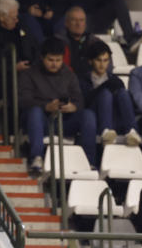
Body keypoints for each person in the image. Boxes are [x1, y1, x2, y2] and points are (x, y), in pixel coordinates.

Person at [18, 36, 96, 176]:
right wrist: (46, 106)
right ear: (42, 57)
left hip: (63, 120)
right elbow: (24, 100)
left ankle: (88, 160)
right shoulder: (29, 74)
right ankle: (37, 158)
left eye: (58, 60)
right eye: (50, 60)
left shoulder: (68, 74)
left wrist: (73, 107)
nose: (54, 64)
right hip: (39, 121)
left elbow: (79, 99)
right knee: (35, 112)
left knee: (88, 115)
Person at [79, 40, 141, 146]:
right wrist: (105, 87)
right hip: (94, 120)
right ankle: (105, 131)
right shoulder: (83, 80)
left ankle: (132, 131)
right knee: (105, 94)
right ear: (91, 61)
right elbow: (84, 103)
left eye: (105, 60)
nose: (102, 65)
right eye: (99, 60)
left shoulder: (115, 80)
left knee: (123, 93)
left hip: (116, 119)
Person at [58, 6, 96, 75]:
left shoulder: (95, 42)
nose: (78, 24)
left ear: (85, 23)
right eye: (74, 20)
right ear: (66, 23)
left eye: (81, 20)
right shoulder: (58, 42)